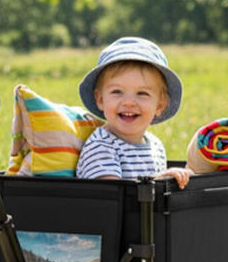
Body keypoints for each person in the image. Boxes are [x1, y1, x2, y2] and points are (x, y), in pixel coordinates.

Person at [75, 37, 191, 188]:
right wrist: (160, 181)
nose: (129, 102)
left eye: (142, 93)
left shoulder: (155, 146)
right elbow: (113, 197)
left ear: (160, 105)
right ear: (100, 99)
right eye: (117, 91)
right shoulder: (102, 146)